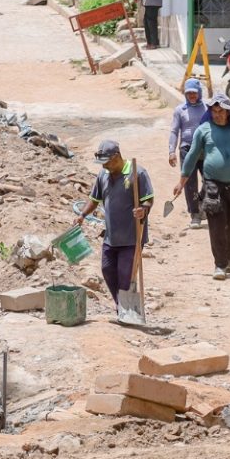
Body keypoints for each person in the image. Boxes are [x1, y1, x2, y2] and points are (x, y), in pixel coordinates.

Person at [175, 94, 230, 280]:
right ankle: (220, 264)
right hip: (212, 186)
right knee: (216, 226)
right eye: (214, 111)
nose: (217, 115)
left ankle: (227, 257)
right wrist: (181, 181)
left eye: (221, 111)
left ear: (228, 112)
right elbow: (192, 156)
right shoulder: (203, 130)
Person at [74, 140, 153, 310]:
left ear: (116, 157)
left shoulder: (137, 173)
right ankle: (122, 306)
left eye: (106, 162)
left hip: (132, 237)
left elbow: (148, 200)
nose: (104, 166)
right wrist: (82, 214)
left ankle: (126, 310)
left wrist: (143, 210)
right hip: (111, 236)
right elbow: (94, 200)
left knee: (126, 276)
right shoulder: (103, 175)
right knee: (107, 270)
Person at [167, 78, 210, 229]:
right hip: (187, 150)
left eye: (194, 93)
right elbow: (174, 131)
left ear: (199, 93)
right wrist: (171, 151)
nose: (192, 95)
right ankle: (195, 214)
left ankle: (201, 202)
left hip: (205, 150)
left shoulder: (208, 108)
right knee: (190, 183)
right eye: (188, 93)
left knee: (210, 179)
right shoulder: (180, 110)